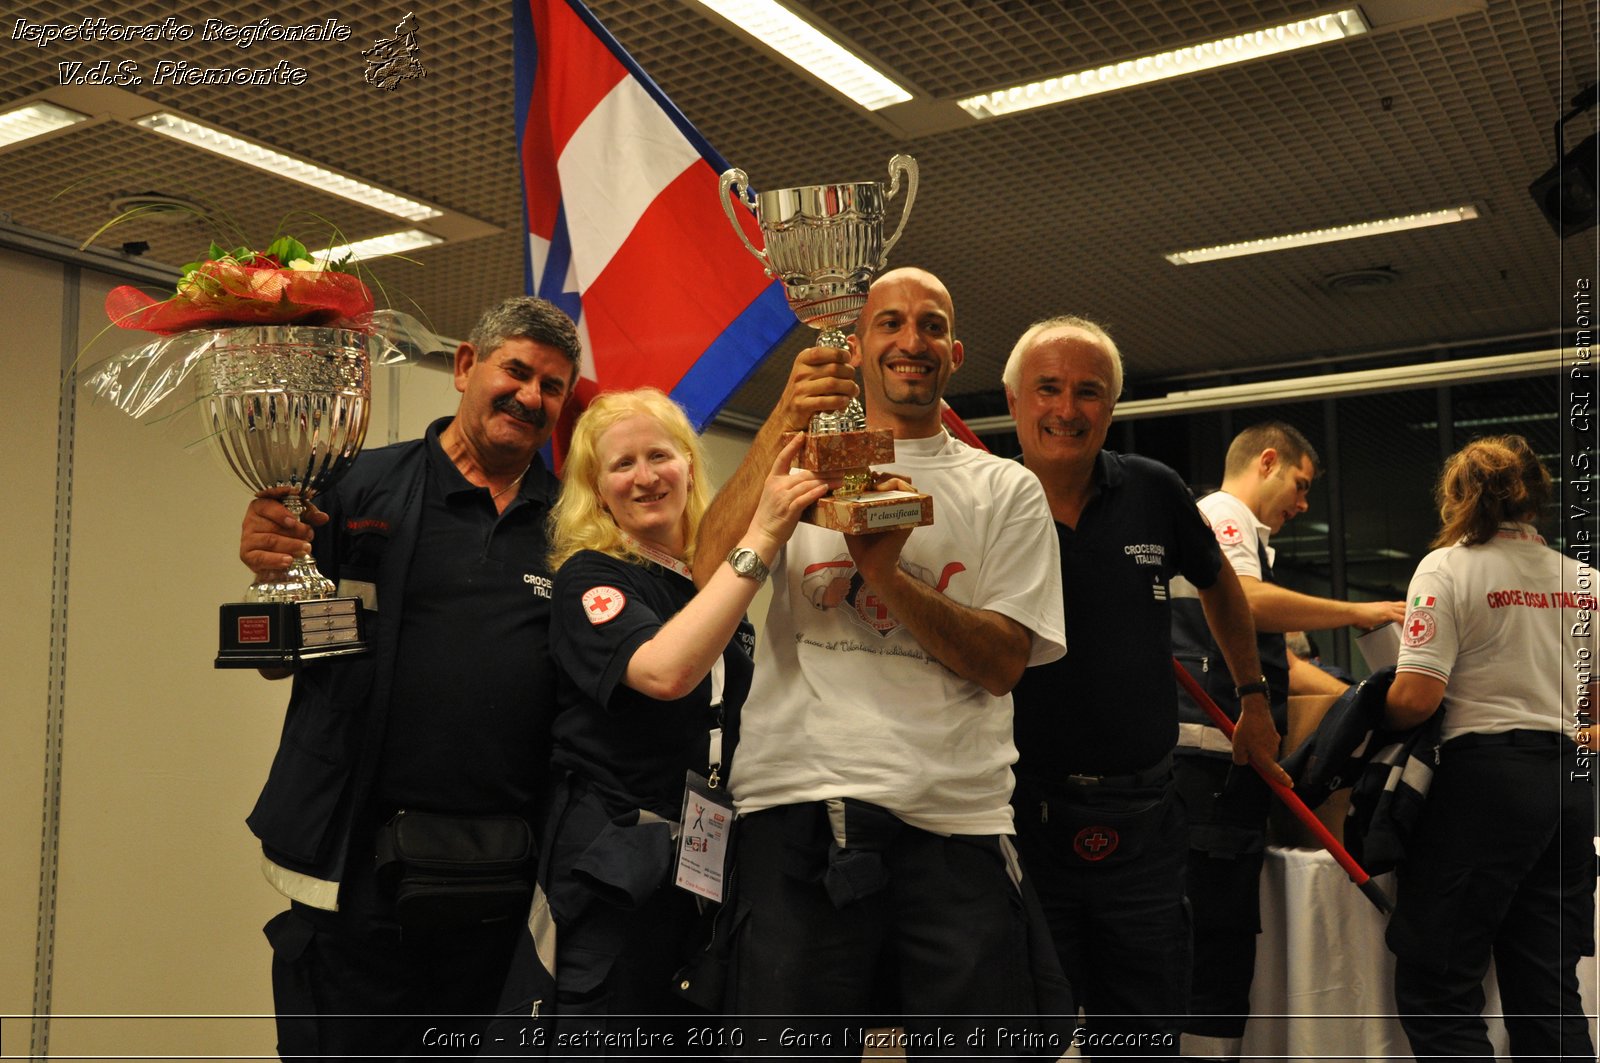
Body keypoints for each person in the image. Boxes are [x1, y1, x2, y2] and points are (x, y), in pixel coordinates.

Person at [692, 268, 1069, 1055]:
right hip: (798, 799)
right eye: (890, 323)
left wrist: (887, 575)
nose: (910, 341)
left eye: (931, 326)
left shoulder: (1005, 490)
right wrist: (781, 427)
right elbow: (705, 574)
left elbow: (1004, 663)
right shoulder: (800, 466)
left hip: (955, 816)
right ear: (855, 344)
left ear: (955, 352)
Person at [236, 296, 581, 1060]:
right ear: (465, 365)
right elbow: (276, 654)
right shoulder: (354, 487)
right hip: (356, 871)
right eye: (515, 370)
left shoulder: (573, 528)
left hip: (500, 883)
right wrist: (273, 568)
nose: (530, 395)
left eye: (552, 386)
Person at [1001, 316, 1281, 1058]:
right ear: (1013, 399)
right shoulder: (986, 500)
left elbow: (1223, 589)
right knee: (1027, 1034)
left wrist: (1251, 699)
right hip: (1020, 819)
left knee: (1143, 1039)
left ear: (1112, 407)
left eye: (1088, 391)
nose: (1067, 408)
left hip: (1145, 824)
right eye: (1049, 388)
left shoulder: (1154, 490)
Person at [539, 388, 827, 1046]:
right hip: (615, 869)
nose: (644, 477)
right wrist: (760, 537)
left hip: (702, 864)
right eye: (621, 464)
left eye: (659, 456)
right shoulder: (591, 576)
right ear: (596, 489)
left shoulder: (704, 581)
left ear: (690, 467)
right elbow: (667, 671)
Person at [1167, 423, 1404, 1062]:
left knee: (1224, 930)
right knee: (1212, 932)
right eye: (1300, 486)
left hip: (1229, 766)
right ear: (1266, 461)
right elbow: (1243, 604)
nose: (1302, 505)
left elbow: (1273, 659)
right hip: (1209, 759)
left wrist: (1364, 696)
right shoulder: (1223, 515)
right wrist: (1358, 612)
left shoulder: (1239, 533)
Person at [1382, 435, 1595, 1061]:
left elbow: (1417, 699)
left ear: (1457, 496)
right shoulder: (1586, 582)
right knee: (1547, 993)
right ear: (1538, 498)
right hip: (1569, 785)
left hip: (1483, 786)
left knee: (1438, 989)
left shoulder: (1447, 568)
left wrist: (1372, 702)